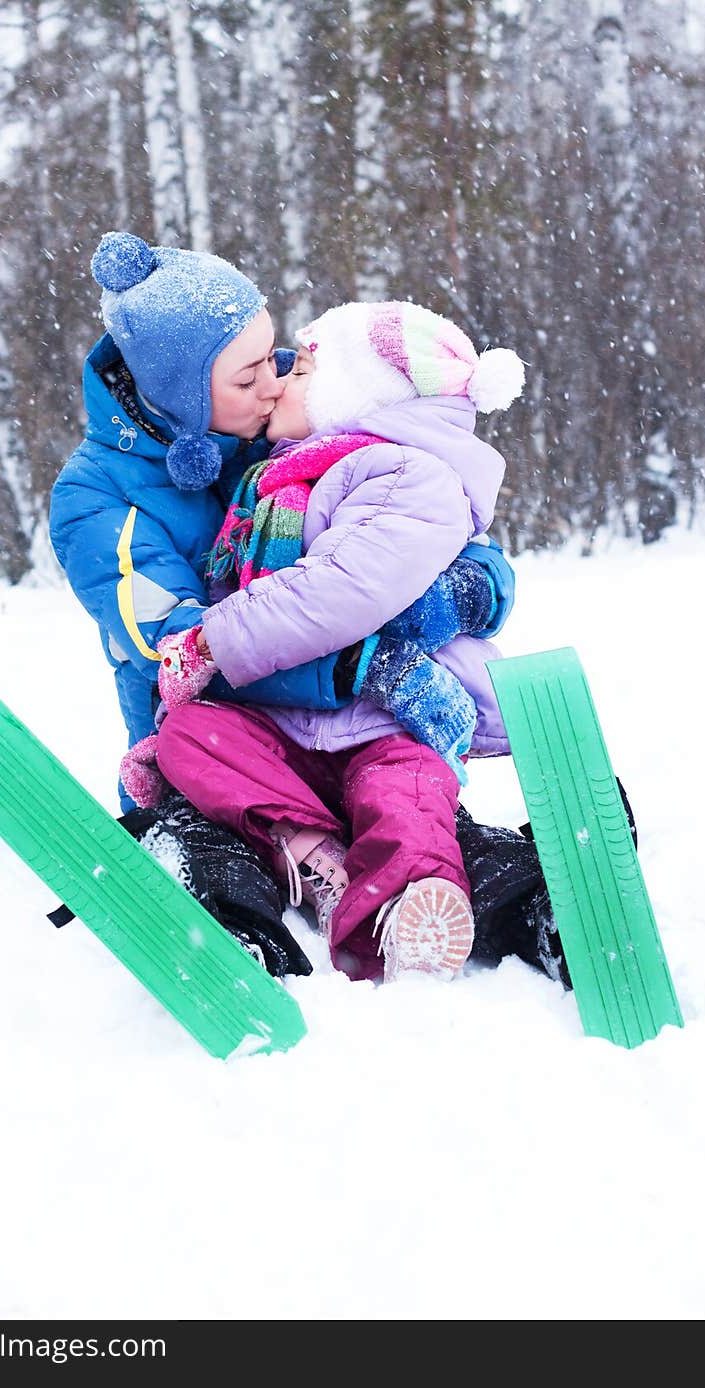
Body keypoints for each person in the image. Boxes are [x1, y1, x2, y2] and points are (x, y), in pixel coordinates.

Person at [149, 299, 525, 985]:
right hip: (288, 724)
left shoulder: (410, 474)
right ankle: (313, 852)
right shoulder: (285, 472)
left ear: (356, 393)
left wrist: (212, 642)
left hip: (380, 722)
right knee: (191, 736)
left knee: (405, 795)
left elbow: (340, 588)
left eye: (306, 366)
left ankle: (409, 908)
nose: (285, 375)